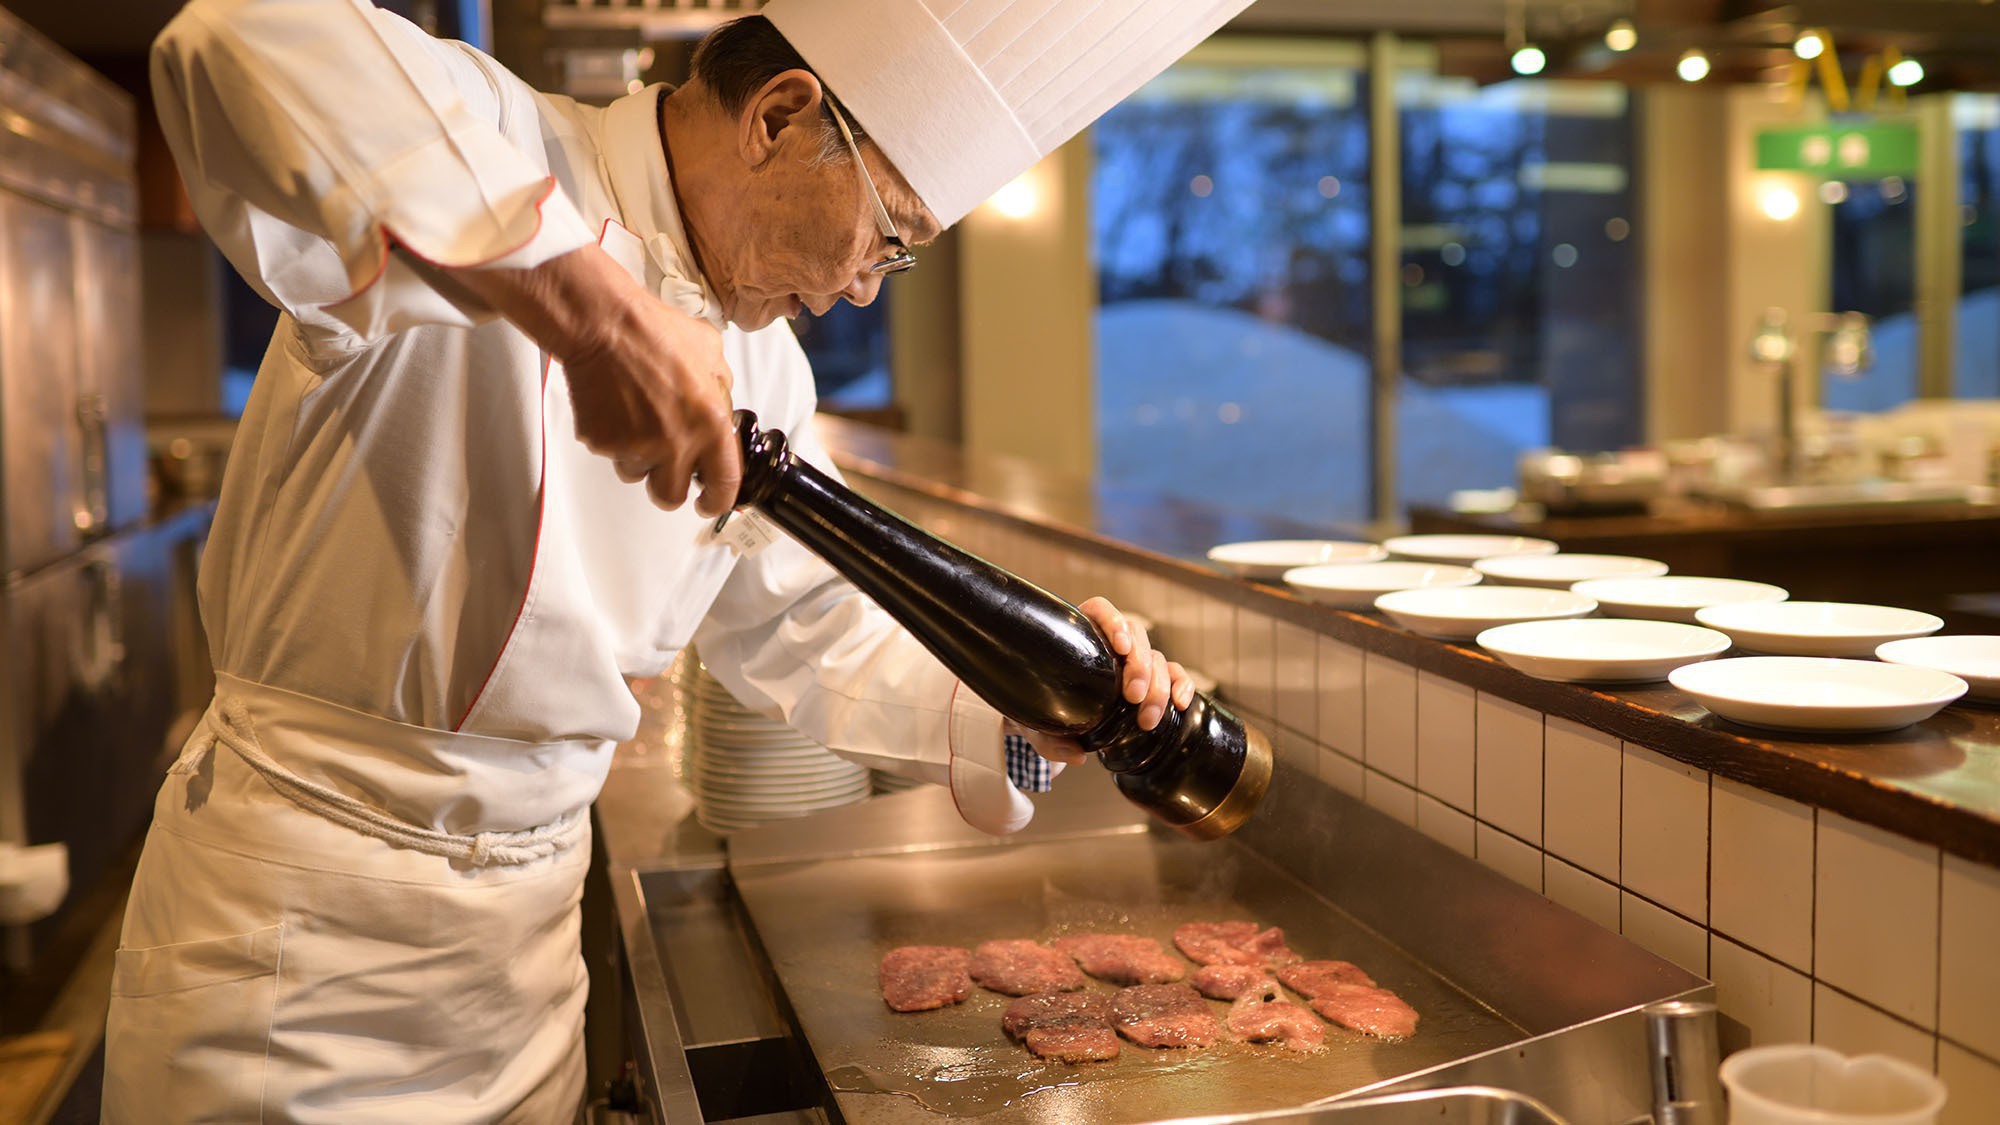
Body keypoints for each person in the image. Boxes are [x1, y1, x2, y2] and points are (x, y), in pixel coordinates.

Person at [109, 0, 1254, 1120]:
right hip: (300, 935)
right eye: (888, 235)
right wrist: (583, 304)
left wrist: (1020, 713)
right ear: (778, 118)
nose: (863, 285)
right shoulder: (499, 137)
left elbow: (810, 620)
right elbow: (238, 39)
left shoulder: (767, 373)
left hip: (524, 956)